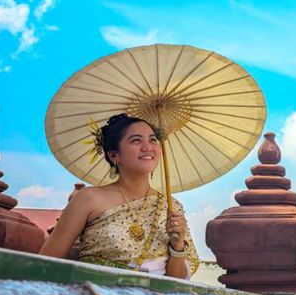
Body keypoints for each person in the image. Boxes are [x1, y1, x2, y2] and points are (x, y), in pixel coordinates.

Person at [40, 114, 197, 278]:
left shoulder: (171, 206)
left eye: (152, 140)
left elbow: (178, 282)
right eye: (136, 140)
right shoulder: (88, 199)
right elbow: (46, 263)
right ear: (114, 155)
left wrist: (177, 245)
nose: (148, 147)